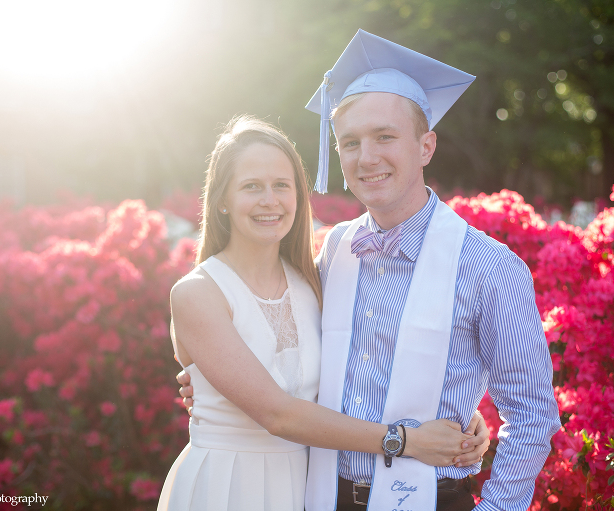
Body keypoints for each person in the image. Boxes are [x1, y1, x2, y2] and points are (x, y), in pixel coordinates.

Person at [181, 30, 561, 511]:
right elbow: (287, 356)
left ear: (426, 146)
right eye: (350, 142)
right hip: (321, 496)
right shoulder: (336, 249)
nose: (367, 158)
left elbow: (531, 415)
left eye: (385, 137)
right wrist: (214, 383)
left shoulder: (489, 267)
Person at [159, 115, 490, 511]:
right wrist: (407, 440)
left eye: (282, 185)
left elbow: (367, 363)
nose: (270, 200)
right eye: (251, 187)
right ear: (222, 201)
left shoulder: (314, 282)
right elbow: (277, 414)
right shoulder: (198, 292)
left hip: (307, 486)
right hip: (229, 485)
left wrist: (459, 412)